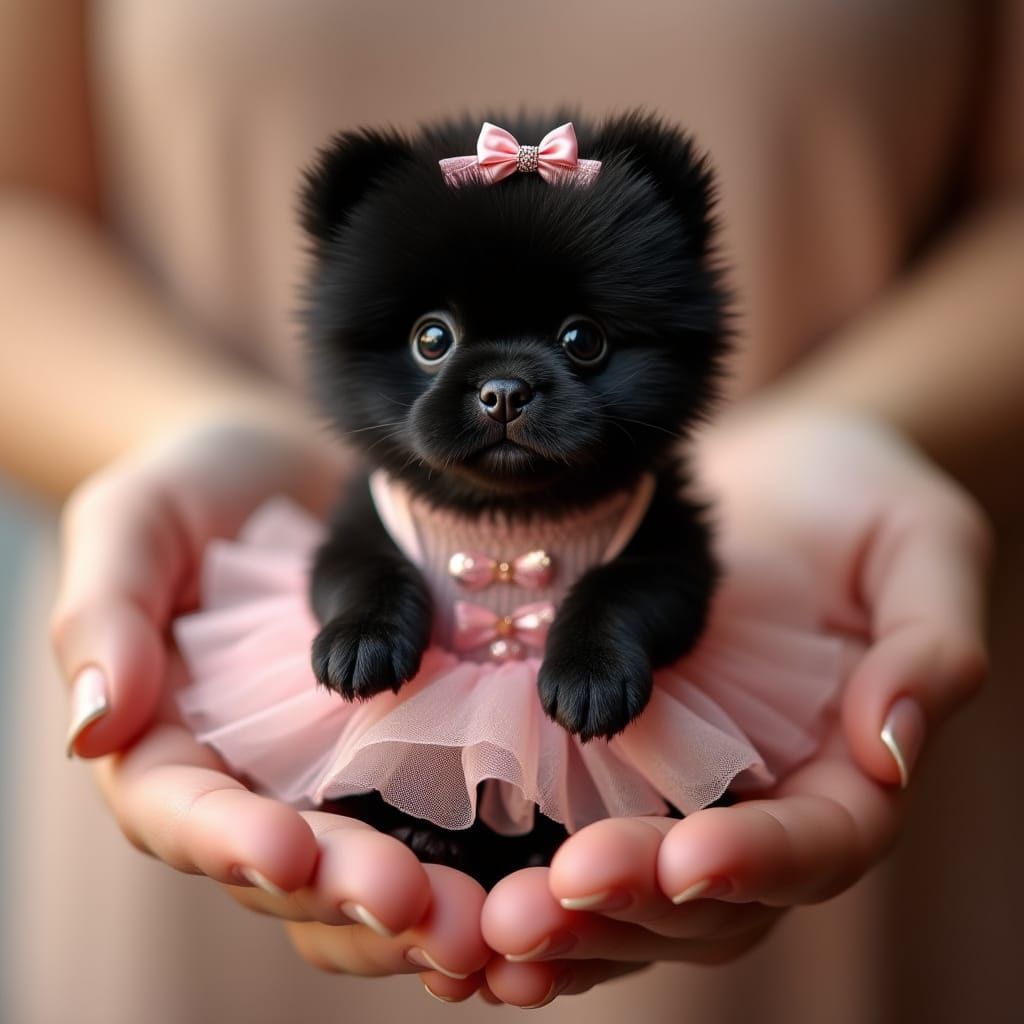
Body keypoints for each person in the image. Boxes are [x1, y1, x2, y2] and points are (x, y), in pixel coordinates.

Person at [2, 1, 1021, 1020]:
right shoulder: (377, 505)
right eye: (435, 342)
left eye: (581, 344)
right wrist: (185, 447)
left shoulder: (653, 517)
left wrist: (864, 431)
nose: (501, 394)